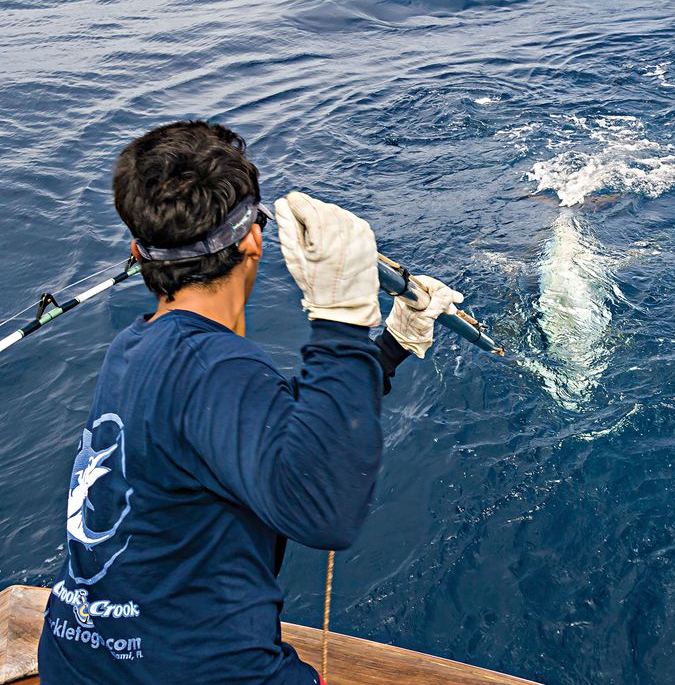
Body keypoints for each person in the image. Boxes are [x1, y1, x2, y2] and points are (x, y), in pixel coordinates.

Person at [36, 120, 462, 684]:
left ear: (138, 252)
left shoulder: (134, 349)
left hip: (76, 658)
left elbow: (260, 430)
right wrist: (339, 321)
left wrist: (389, 346)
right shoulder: (221, 367)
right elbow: (324, 509)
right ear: (255, 241)